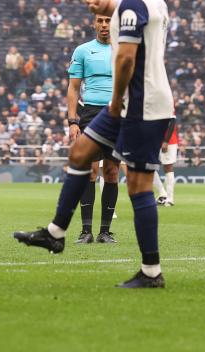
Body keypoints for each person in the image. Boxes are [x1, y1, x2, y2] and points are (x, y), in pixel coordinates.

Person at [15, 0, 174, 288]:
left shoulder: (134, 2)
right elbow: (132, 11)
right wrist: (107, 3)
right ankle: (56, 233)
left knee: (138, 184)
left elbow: (126, 57)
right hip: (142, 100)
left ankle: (151, 272)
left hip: (139, 104)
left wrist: (116, 101)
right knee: (81, 152)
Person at [67, 13, 119, 244]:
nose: (104, 24)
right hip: (90, 114)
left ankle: (105, 232)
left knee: (112, 172)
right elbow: (73, 88)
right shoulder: (82, 51)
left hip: (118, 114)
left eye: (108, 20)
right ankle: (86, 231)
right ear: (94, 23)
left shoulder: (125, 50)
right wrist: (72, 121)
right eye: (100, 20)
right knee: (90, 171)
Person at [152, 117, 179, 206]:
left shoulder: (167, 103)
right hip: (154, 139)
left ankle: (170, 199)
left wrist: (166, 141)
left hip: (168, 140)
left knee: (168, 166)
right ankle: (162, 194)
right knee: (149, 166)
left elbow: (172, 121)